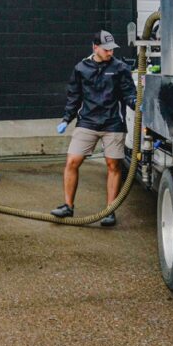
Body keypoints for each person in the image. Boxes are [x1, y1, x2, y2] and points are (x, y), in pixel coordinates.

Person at [51, 30, 137, 226]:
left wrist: (135, 102)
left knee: (113, 165)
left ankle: (110, 211)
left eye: (112, 49)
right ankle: (67, 206)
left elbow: (128, 93)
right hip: (87, 122)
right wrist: (66, 119)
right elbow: (74, 97)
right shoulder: (81, 68)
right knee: (72, 161)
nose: (110, 53)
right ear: (95, 47)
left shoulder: (120, 68)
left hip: (113, 123)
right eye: (106, 49)